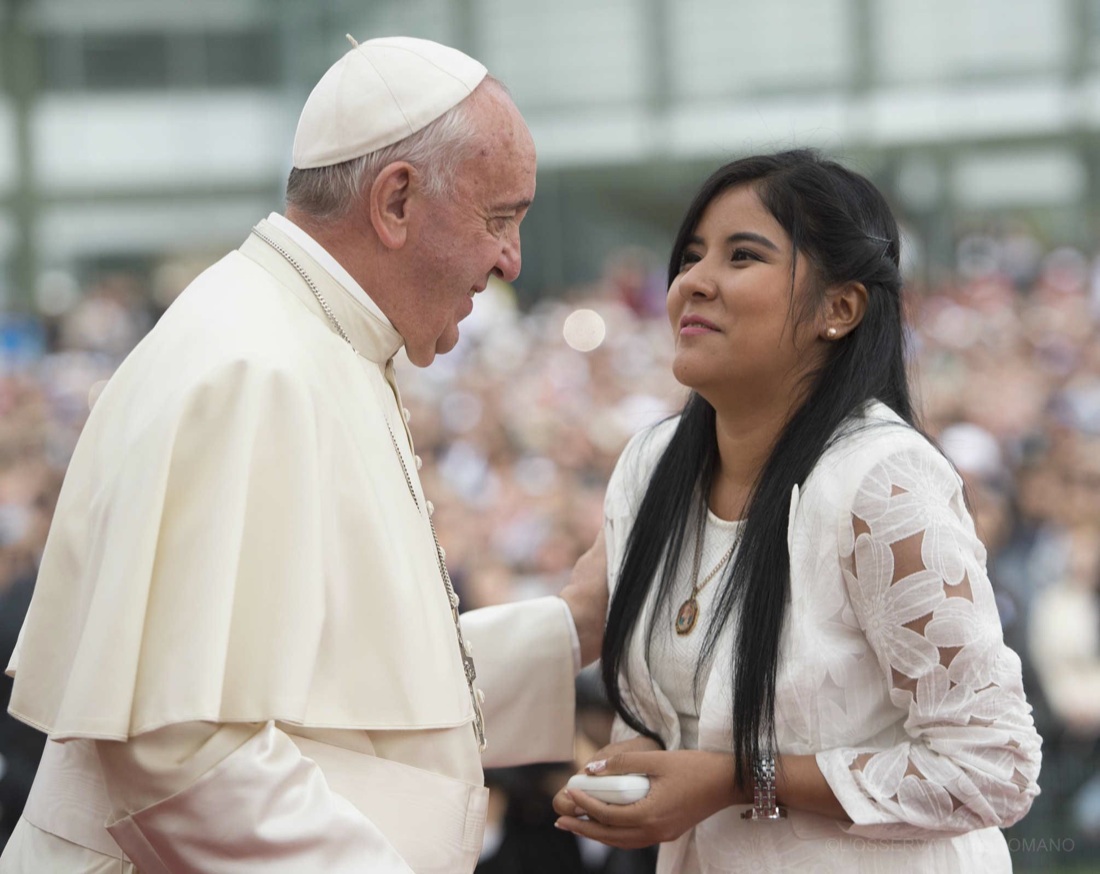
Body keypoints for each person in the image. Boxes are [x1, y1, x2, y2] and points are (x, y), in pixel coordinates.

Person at [0, 36, 608, 873]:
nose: (511, 260)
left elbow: (343, 710)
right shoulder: (255, 365)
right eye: (499, 218)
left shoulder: (312, 339)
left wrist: (570, 630)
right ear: (395, 202)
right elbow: (182, 752)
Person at [553, 150, 1042, 872]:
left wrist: (733, 779)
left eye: (742, 256)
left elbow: (992, 766)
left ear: (839, 309)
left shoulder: (882, 483)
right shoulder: (650, 466)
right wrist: (654, 763)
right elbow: (591, 628)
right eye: (690, 257)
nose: (695, 282)